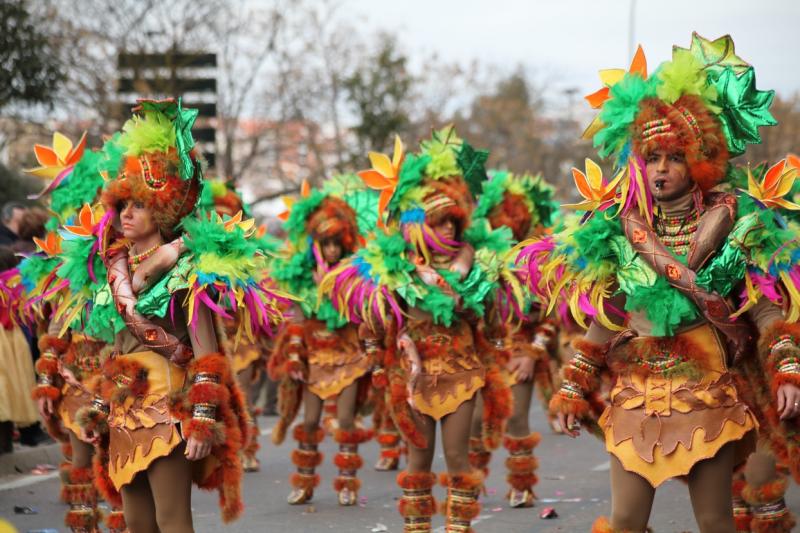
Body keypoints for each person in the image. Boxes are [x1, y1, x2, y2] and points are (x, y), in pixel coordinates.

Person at [516, 35, 799, 533]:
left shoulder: (739, 225)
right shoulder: (619, 231)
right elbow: (610, 317)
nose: (661, 169)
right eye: (651, 158)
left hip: (705, 393)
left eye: (673, 157)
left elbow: (763, 309)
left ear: (698, 162)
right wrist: (574, 385)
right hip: (636, 398)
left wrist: (787, 368)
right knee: (625, 520)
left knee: (714, 521)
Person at [70, 99, 288, 532]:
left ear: (164, 211)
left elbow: (206, 356)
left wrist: (203, 418)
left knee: (172, 523)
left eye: (139, 206)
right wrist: (98, 408)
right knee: (136, 524)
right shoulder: (114, 271)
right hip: (123, 409)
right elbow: (115, 349)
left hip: (166, 409)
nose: (126, 215)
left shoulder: (188, 274)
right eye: (122, 206)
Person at [321, 128, 523, 532]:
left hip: (461, 372)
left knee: (457, 458)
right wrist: (381, 325)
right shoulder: (394, 271)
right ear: (419, 226)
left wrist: (466, 287)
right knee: (417, 461)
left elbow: (493, 322)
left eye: (453, 221)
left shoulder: (479, 265)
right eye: (439, 222)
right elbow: (373, 325)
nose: (448, 229)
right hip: (411, 378)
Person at [269, 174, 378, 506]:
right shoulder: (301, 280)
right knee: (311, 421)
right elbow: (296, 326)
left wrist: (335, 286)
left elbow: (366, 318)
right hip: (314, 361)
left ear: (345, 243)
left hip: (347, 359)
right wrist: (295, 359)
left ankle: (347, 483)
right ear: (317, 245)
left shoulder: (357, 278)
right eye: (326, 243)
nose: (331, 249)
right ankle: (304, 484)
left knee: (345, 421)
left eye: (336, 243)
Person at [466, 171, 560, 508]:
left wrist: (533, 354)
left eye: (512, 223)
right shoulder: (476, 259)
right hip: (484, 352)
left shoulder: (537, 260)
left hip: (521, 349)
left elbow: (550, 316)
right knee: (475, 419)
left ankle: (522, 484)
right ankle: (471, 481)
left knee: (517, 416)